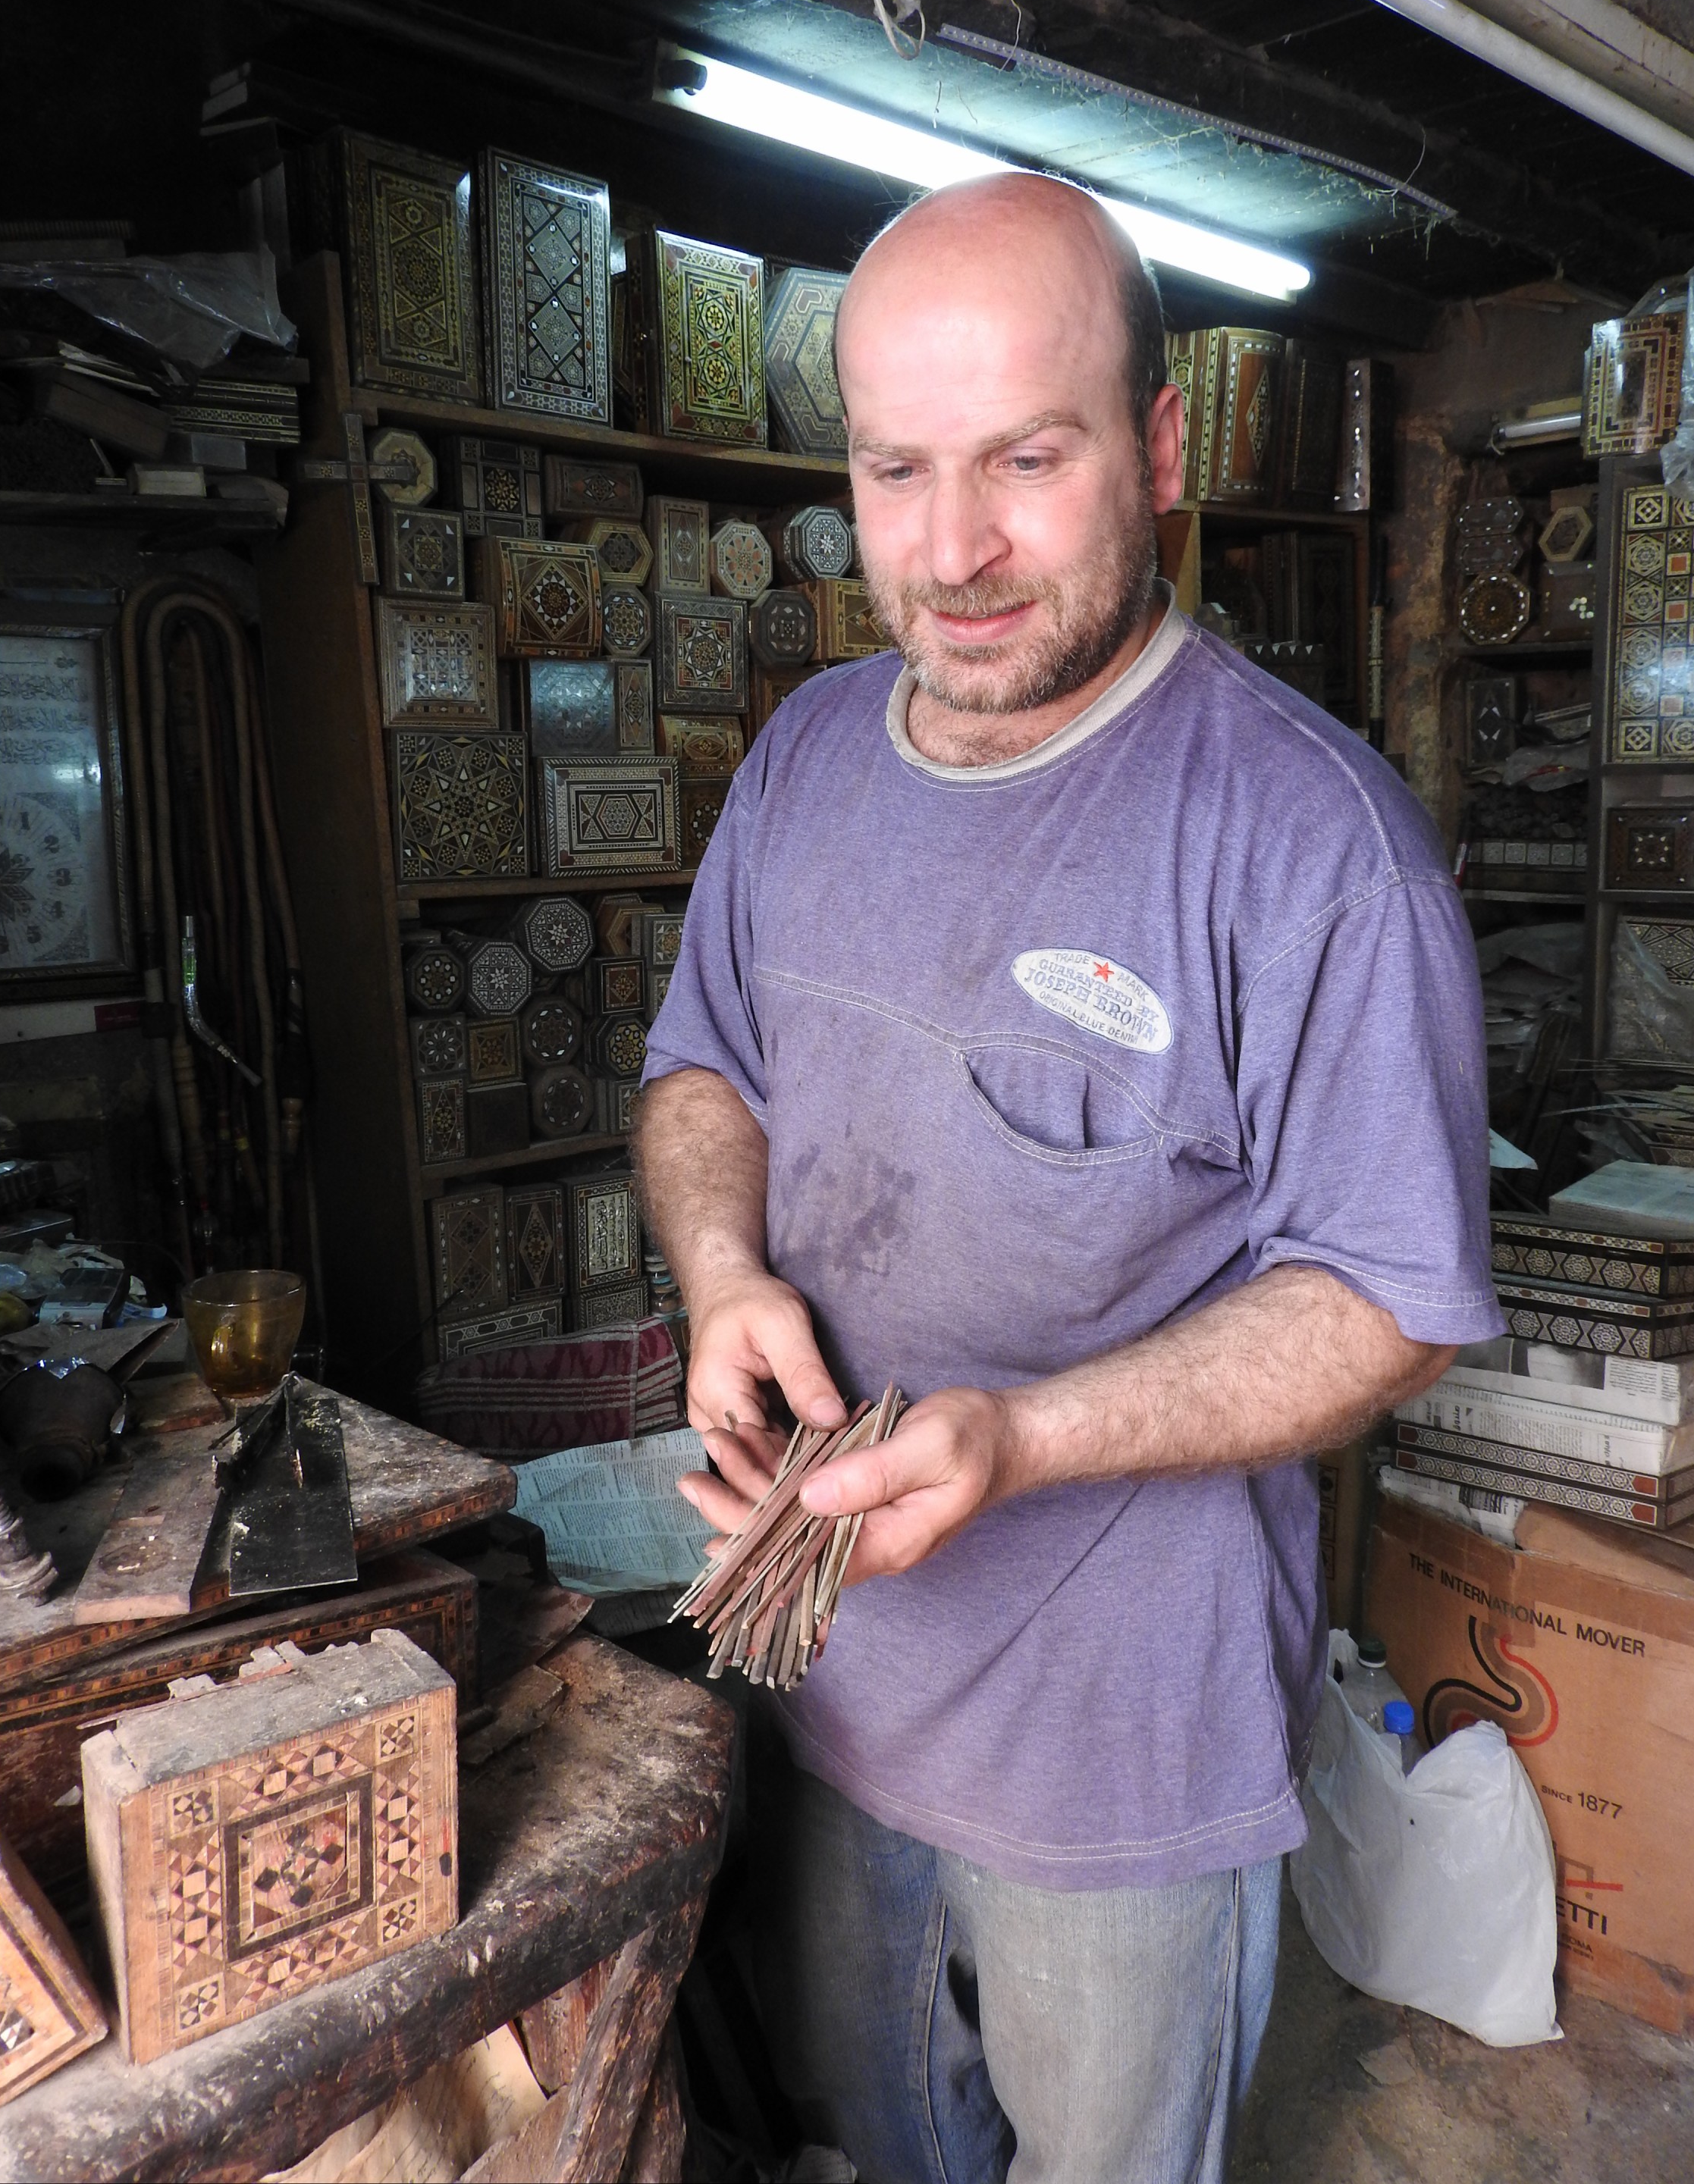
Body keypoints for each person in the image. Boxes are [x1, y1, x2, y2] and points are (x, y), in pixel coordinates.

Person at [635, 172, 1501, 2184]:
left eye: (1028, 458)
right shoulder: (805, 759)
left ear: (1162, 447)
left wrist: (1015, 1443)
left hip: (1122, 1758)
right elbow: (702, 1072)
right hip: (825, 1684)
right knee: (865, 2144)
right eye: (895, 469)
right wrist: (720, 1270)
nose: (953, 554)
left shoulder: (1310, 844)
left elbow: (1388, 1302)